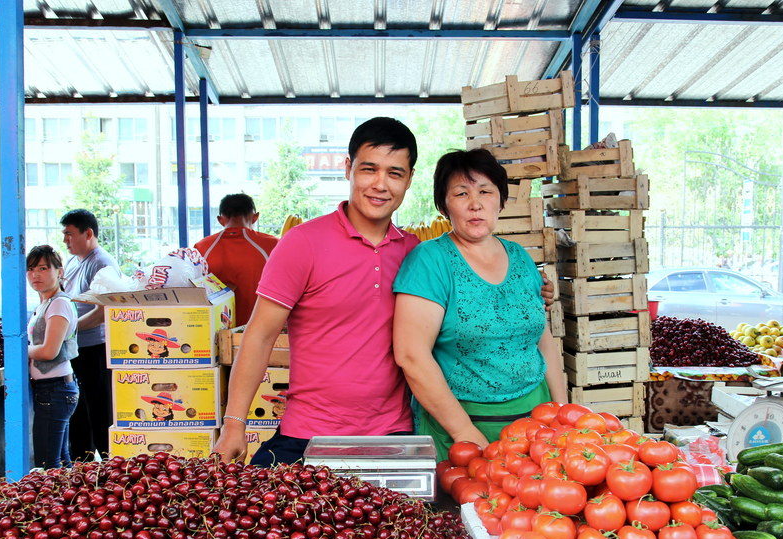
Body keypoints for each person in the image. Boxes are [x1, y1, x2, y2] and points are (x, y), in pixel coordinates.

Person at [213, 117, 554, 466]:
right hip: (310, 433)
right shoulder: (302, 244)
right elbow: (259, 335)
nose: (380, 184)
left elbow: (463, 313)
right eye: (369, 169)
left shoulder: (414, 253)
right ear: (348, 169)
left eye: (394, 173)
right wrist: (234, 424)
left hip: (396, 432)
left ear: (409, 180)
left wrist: (530, 293)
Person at [392, 149, 568, 460]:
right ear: (444, 205)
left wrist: (564, 414)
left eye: (485, 191)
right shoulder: (430, 262)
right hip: (461, 425)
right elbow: (411, 355)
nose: (475, 204)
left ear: (501, 201)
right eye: (461, 193)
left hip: (536, 424)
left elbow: (543, 341)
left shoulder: (520, 258)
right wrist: (465, 433)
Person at [61, 209, 119, 460]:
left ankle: (108, 464)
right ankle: (80, 465)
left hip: (95, 348)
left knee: (99, 409)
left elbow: (103, 311)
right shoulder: (73, 261)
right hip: (74, 348)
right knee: (78, 411)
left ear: (88, 233)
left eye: (69, 234)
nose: (65, 240)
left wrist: (69, 328)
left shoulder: (102, 263)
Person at [26, 245, 80, 469]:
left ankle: (55, 504)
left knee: (48, 464)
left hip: (54, 390)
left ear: (59, 272)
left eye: (43, 268)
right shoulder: (47, 303)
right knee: (60, 462)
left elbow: (49, 351)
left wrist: (20, 351)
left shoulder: (58, 303)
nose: (35, 275)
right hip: (54, 389)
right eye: (30, 269)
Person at [193, 194, 279, 327]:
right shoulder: (273, 245)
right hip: (260, 329)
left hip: (216, 329)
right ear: (255, 217)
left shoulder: (202, 247)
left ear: (220, 220)